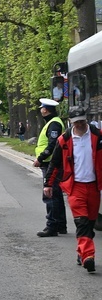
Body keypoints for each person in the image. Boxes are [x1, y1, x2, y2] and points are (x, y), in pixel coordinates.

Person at [44, 107, 102, 273]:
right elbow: (55, 163)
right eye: (76, 122)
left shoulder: (98, 136)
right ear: (70, 122)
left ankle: (81, 252)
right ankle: (88, 256)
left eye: (82, 121)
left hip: (94, 187)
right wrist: (48, 183)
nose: (80, 124)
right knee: (82, 222)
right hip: (75, 187)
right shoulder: (64, 140)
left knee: (90, 223)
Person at [33, 98, 67, 237]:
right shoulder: (54, 123)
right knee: (56, 194)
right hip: (51, 163)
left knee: (50, 194)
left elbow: (53, 144)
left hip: (50, 163)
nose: (41, 110)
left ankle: (52, 226)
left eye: (42, 108)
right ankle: (60, 225)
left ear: (45, 110)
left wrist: (40, 158)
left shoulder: (54, 124)